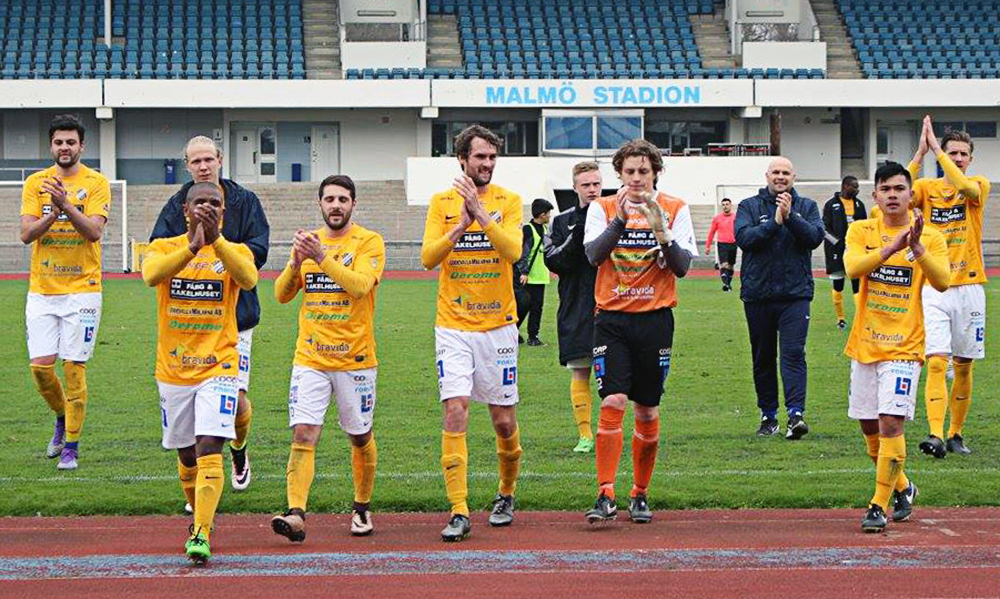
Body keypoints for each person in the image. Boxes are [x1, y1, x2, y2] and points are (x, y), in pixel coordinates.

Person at [142, 182, 258, 564]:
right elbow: (151, 275)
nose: (207, 207)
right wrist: (192, 245)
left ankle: (201, 532)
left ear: (223, 212)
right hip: (174, 368)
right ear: (186, 210)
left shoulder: (233, 250)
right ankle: (198, 517)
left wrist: (217, 240)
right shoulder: (163, 246)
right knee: (186, 452)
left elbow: (249, 278)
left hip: (219, 364)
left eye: (215, 203)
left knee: (210, 445)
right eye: (200, 203)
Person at [582, 139, 696, 524]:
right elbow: (594, 255)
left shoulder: (676, 208)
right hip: (611, 318)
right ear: (619, 174)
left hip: (655, 319)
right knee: (612, 401)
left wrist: (660, 229)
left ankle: (640, 492)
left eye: (642, 172)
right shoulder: (602, 207)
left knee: (646, 408)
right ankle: (605, 492)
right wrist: (621, 219)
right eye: (629, 172)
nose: (635, 179)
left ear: (655, 173)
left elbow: (681, 267)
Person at [420, 125, 524, 542]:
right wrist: (460, 225)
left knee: (502, 420)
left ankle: (506, 492)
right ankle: (459, 509)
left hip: (498, 326)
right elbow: (428, 257)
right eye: (480, 157)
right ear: (462, 159)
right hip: (453, 325)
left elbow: (513, 252)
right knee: (456, 409)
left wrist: (481, 215)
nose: (486, 164)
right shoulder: (441, 203)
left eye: (492, 157)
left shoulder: (509, 202)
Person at [151, 136, 269, 496]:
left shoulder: (245, 201)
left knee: (239, 403)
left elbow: (258, 253)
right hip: (189, 320)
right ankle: (197, 487)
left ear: (220, 159)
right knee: (188, 430)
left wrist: (219, 248)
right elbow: (159, 252)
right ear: (187, 165)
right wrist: (193, 250)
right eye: (195, 161)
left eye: (208, 159)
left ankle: (238, 448)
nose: (203, 166)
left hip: (237, 316)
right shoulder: (176, 205)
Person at [270, 175, 385, 541]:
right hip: (311, 358)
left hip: (355, 359)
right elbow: (281, 295)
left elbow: (359, 286)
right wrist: (294, 262)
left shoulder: (369, 242)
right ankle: (296, 514)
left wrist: (320, 256)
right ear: (320, 203)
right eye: (330, 199)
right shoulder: (309, 244)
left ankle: (361, 508)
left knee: (359, 436)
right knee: (304, 432)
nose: (336, 205)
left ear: (354, 204)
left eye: (343, 199)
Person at [843, 162, 949, 532]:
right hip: (865, 344)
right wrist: (890, 248)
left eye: (899, 189)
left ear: (910, 194)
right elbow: (853, 267)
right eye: (885, 189)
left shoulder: (930, 237)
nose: (892, 195)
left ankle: (878, 504)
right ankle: (904, 486)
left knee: (891, 423)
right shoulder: (860, 229)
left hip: (905, 346)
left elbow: (943, 282)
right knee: (869, 426)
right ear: (875, 195)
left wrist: (916, 248)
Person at [20, 114, 110, 471]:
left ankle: (71, 445)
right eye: (59, 142)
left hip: (82, 290)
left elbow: (93, 232)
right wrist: (52, 212)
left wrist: (67, 206)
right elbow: (27, 235)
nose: (65, 147)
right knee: (41, 370)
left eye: (71, 142)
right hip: (41, 289)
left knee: (73, 368)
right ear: (51, 146)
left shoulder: (97, 182)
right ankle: (61, 416)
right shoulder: (34, 183)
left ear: (82, 146)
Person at [907, 116, 990, 459]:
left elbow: (966, 189)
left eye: (962, 154)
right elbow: (895, 194)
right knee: (937, 362)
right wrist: (920, 153)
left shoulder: (979, 184)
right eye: (952, 152)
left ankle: (956, 433)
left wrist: (938, 151)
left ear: (970, 159)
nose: (956, 158)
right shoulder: (926, 188)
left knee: (965, 364)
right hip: (934, 286)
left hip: (970, 287)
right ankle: (936, 434)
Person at [735, 157, 825, 439]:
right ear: (767, 176)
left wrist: (790, 217)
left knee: (794, 354)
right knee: (763, 357)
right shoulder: (748, 206)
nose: (781, 176)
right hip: (758, 295)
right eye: (776, 172)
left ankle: (796, 414)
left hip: (795, 295)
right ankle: (768, 415)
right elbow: (744, 239)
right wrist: (774, 223)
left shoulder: (807, 206)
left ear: (794, 177)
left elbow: (814, 238)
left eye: (786, 172)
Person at [544, 161, 602, 453]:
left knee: (610, 374)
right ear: (575, 187)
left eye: (596, 184)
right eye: (586, 185)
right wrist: (577, 235)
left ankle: (607, 431)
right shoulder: (562, 222)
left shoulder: (615, 214)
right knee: (580, 370)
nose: (592, 189)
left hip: (610, 304)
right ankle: (585, 435)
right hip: (576, 304)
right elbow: (554, 261)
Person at [823, 176, 867, 330]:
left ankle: (861, 318)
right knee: (838, 285)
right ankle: (840, 319)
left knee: (857, 286)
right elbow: (824, 229)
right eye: (855, 186)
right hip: (836, 251)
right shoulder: (831, 204)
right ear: (846, 186)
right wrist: (837, 243)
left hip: (855, 251)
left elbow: (865, 226)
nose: (857, 190)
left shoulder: (859, 204)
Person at [516, 198, 554, 346]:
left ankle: (533, 337)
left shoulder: (545, 230)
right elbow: (524, 253)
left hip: (540, 277)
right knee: (523, 306)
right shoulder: (528, 229)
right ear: (542, 214)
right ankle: (513, 332)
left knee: (537, 308)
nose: (549, 216)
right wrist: (524, 272)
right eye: (548, 214)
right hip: (528, 277)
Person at [705, 198, 737, 291]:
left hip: (733, 244)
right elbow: (711, 232)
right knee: (724, 264)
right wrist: (708, 246)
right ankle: (726, 285)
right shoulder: (717, 218)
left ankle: (728, 284)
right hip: (722, 244)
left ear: (730, 205)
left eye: (727, 204)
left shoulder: (736, 217)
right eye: (723, 205)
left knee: (730, 265)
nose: (725, 206)